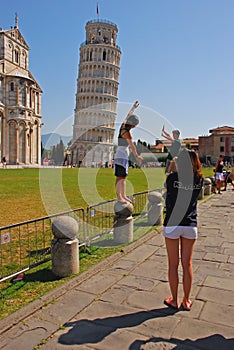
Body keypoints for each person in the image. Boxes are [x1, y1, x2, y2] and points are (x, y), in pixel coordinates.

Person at [163, 148, 203, 311]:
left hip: (172, 223)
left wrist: (172, 165)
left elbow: (167, 182)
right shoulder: (199, 179)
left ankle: (174, 299)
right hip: (189, 223)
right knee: (187, 265)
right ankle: (186, 300)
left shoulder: (173, 178)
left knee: (173, 265)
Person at [114, 101, 143, 203]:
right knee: (120, 177)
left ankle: (123, 195)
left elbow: (128, 115)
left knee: (123, 177)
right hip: (121, 155)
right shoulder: (126, 133)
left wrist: (133, 107)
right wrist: (137, 156)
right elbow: (132, 146)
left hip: (122, 155)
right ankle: (119, 197)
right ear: (133, 126)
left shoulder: (123, 126)